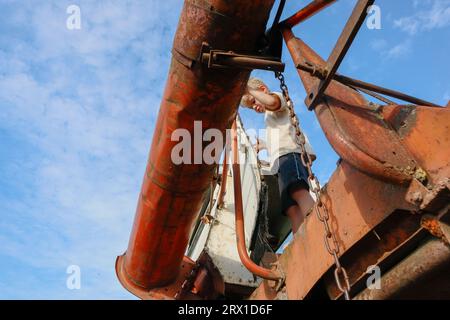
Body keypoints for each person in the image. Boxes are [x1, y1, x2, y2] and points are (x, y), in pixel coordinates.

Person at [240, 77, 316, 234]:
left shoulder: (277, 99)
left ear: (262, 90)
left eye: (254, 101)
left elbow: (273, 103)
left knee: (297, 190)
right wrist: (264, 144)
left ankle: (317, 225)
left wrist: (248, 89)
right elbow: (278, 139)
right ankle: (301, 242)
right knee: (290, 207)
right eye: (251, 107)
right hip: (280, 161)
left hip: (290, 154)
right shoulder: (270, 119)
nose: (254, 107)